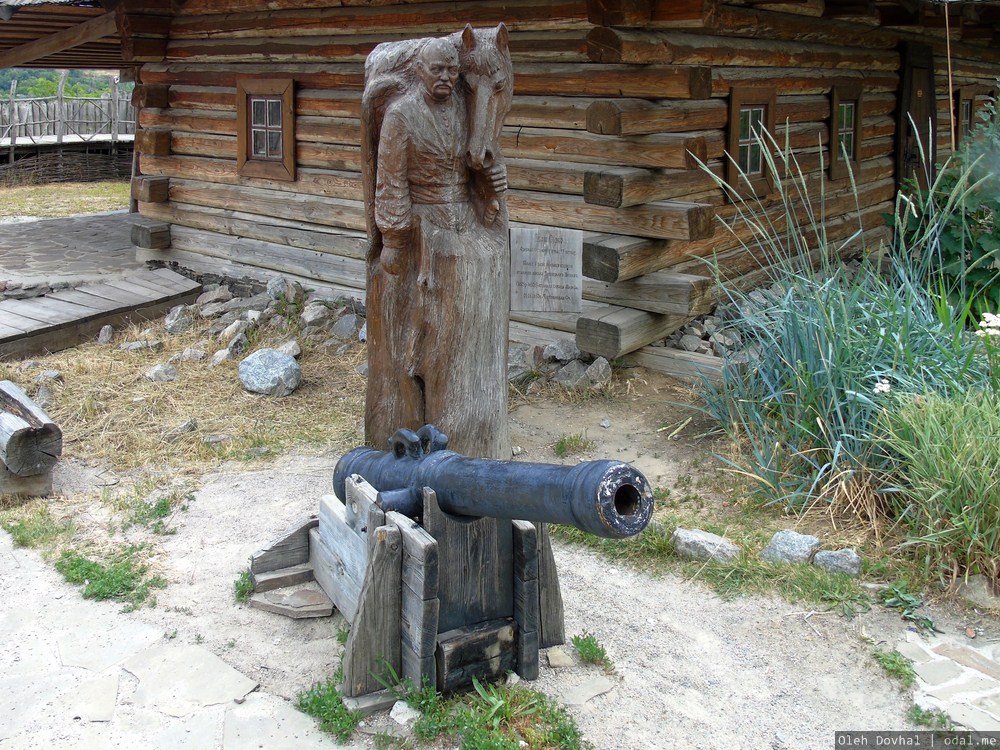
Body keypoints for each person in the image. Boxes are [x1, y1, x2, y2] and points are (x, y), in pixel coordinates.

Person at [363, 31, 513, 459]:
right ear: (419, 71)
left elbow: (480, 161)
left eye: (452, 69)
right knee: (416, 336)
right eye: (437, 69)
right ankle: (408, 419)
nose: (446, 77)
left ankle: (473, 421)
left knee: (466, 321)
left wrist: (492, 183)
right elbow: (389, 182)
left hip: (464, 222)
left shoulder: (467, 112)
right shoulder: (401, 115)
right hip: (421, 228)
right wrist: (392, 238)